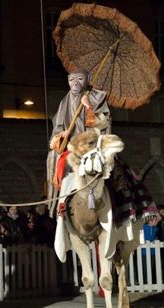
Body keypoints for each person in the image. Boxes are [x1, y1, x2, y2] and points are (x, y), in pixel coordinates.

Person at [47, 69, 110, 215]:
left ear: (88, 79)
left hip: (90, 145)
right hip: (70, 147)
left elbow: (103, 123)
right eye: (71, 80)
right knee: (53, 160)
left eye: (80, 79)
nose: (75, 83)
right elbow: (56, 128)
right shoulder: (64, 102)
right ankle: (59, 204)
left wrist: (88, 106)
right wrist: (61, 135)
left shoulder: (96, 97)